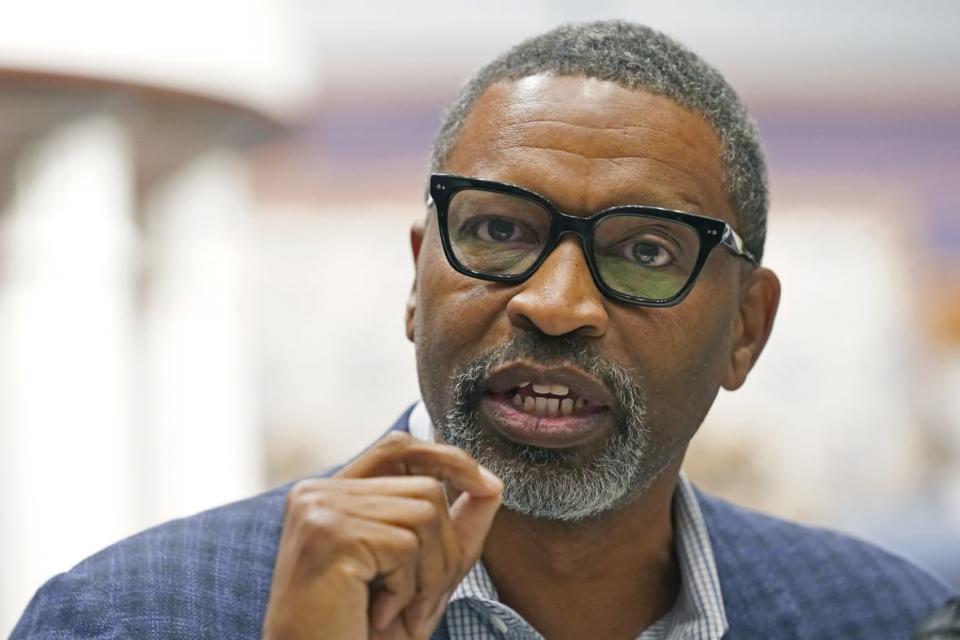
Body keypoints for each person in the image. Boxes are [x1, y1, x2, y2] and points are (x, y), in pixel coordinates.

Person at [12, 20, 956, 640]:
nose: (556, 303)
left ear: (747, 329)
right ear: (418, 280)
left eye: (646, 253)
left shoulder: (888, 619)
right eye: (499, 232)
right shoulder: (120, 618)